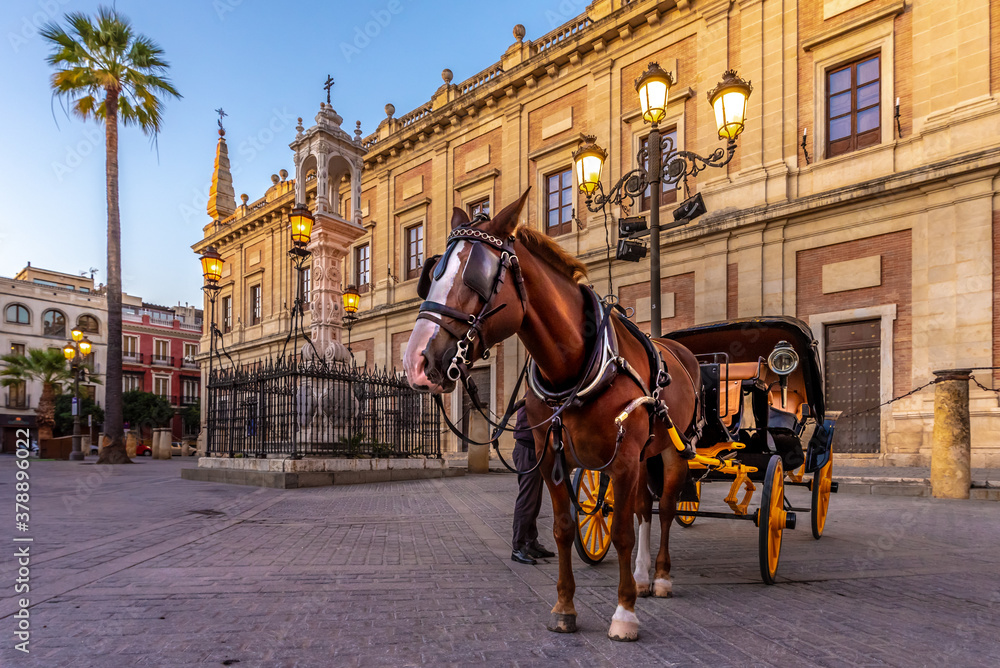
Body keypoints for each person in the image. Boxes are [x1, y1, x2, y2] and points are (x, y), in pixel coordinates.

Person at [511, 404, 556, 565]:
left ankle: (531, 542)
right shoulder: (534, 397)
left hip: (536, 450)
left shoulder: (542, 394)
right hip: (527, 449)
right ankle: (518, 547)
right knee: (527, 500)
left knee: (534, 500)